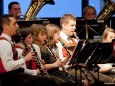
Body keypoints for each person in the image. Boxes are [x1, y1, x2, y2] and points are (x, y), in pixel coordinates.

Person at [56, 13, 115, 85]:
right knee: (92, 81)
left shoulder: (75, 40)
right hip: (68, 70)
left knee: (107, 79)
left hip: (80, 68)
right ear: (64, 25)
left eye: (75, 25)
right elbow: (60, 63)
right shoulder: (58, 41)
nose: (75, 28)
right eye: (72, 25)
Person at [0, 14, 58, 86]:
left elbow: (15, 64)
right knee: (49, 82)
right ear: (6, 27)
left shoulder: (8, 41)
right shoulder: (4, 43)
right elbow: (8, 67)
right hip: (9, 79)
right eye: (14, 24)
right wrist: (25, 59)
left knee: (50, 81)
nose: (17, 26)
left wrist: (22, 56)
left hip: (15, 76)